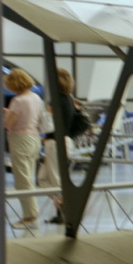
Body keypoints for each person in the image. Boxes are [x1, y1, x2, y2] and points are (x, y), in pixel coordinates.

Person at [36, 68, 87, 224]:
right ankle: (61, 206)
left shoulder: (56, 101)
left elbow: (48, 126)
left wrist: (44, 117)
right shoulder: (69, 99)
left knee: (55, 179)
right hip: (64, 141)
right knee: (42, 179)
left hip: (55, 143)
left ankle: (65, 211)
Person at [3, 68, 43, 228]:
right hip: (34, 138)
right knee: (29, 177)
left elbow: (9, 124)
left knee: (22, 180)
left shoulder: (18, 101)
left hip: (20, 139)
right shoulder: (36, 98)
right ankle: (31, 214)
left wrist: (6, 114)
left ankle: (30, 217)